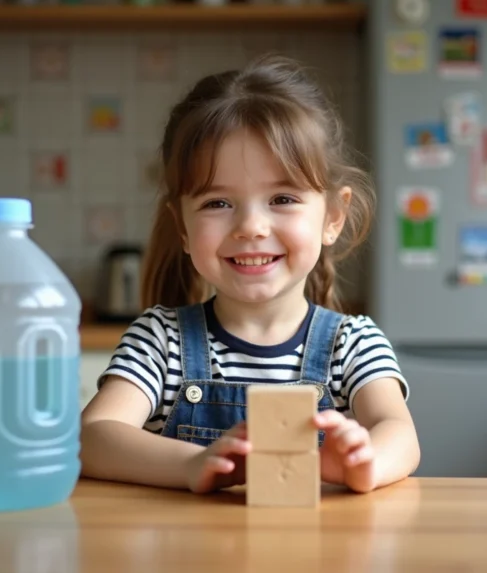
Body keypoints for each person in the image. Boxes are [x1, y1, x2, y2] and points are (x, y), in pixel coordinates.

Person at [79, 54, 420, 495]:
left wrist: (362, 464)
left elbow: (401, 435)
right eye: (217, 203)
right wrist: (193, 465)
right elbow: (92, 436)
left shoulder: (353, 344)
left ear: (333, 216)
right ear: (182, 228)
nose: (251, 227)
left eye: (282, 198)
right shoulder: (160, 341)